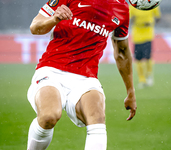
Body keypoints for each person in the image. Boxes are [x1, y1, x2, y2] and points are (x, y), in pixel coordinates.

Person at [27, 0, 137, 150]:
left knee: (97, 118)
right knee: (49, 116)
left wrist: (130, 91)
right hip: (52, 69)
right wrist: (54, 19)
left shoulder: (122, 8)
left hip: (86, 77)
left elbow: (123, 52)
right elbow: (35, 27)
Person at [129, 6, 161, 89]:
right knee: (138, 59)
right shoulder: (133, 5)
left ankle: (149, 75)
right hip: (137, 37)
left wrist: (151, 22)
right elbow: (129, 19)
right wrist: (133, 19)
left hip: (148, 35)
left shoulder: (152, 4)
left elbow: (158, 18)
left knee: (147, 57)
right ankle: (142, 79)